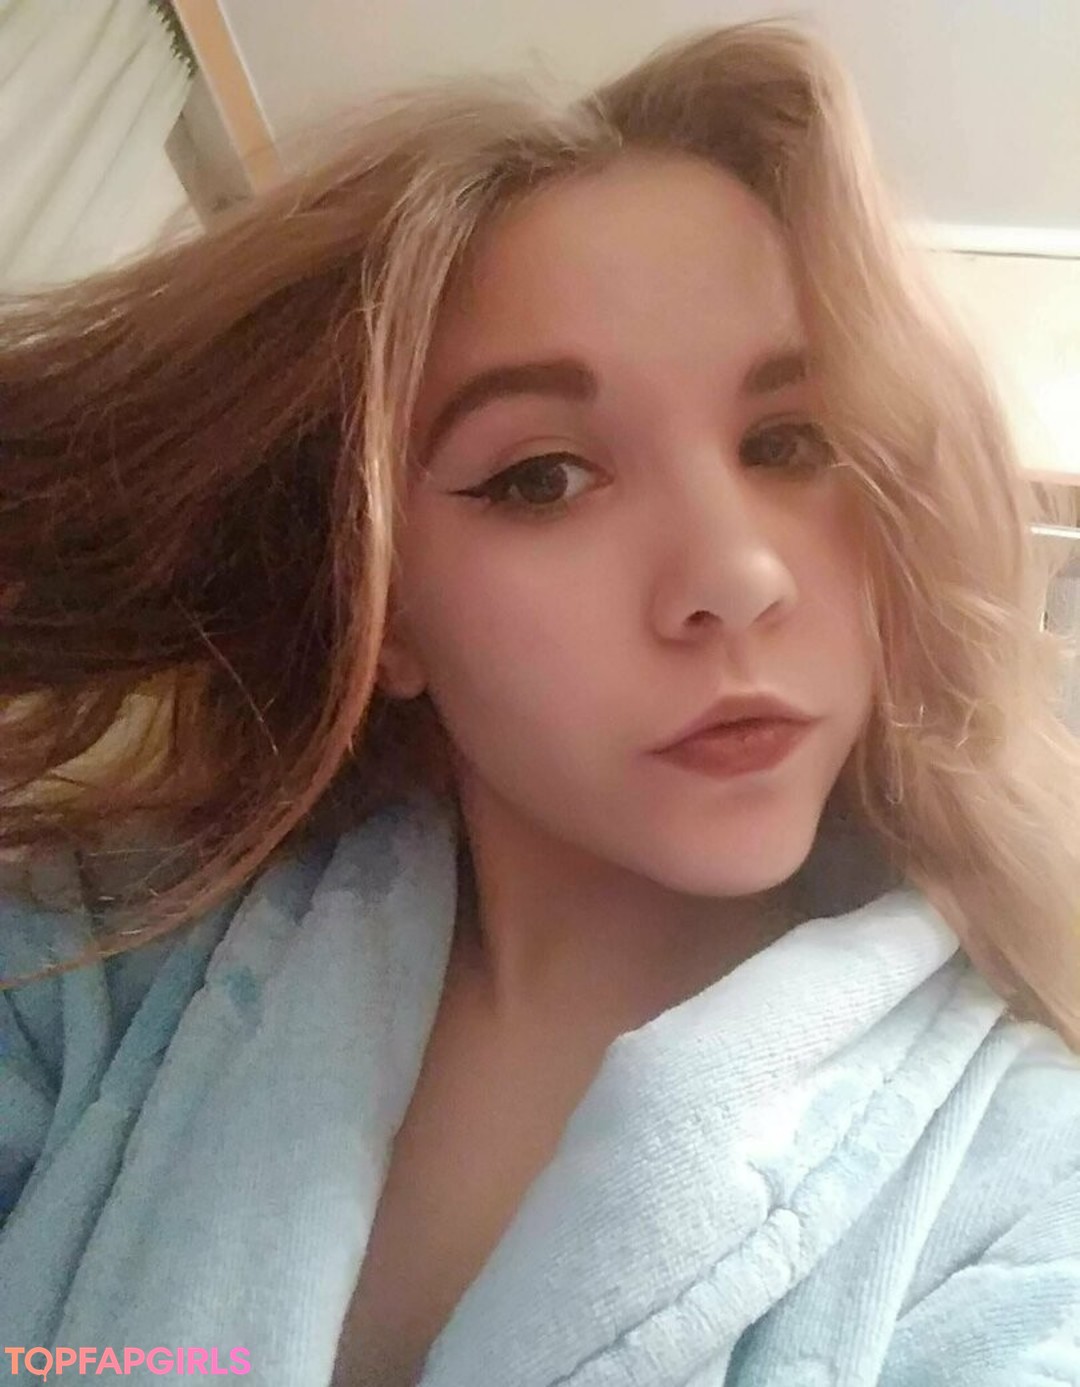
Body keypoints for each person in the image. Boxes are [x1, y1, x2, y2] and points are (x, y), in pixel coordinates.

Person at [1, 19, 1078, 1387]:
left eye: (789, 441)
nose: (736, 579)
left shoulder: (1025, 1188)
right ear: (388, 610)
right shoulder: (86, 976)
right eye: (544, 478)